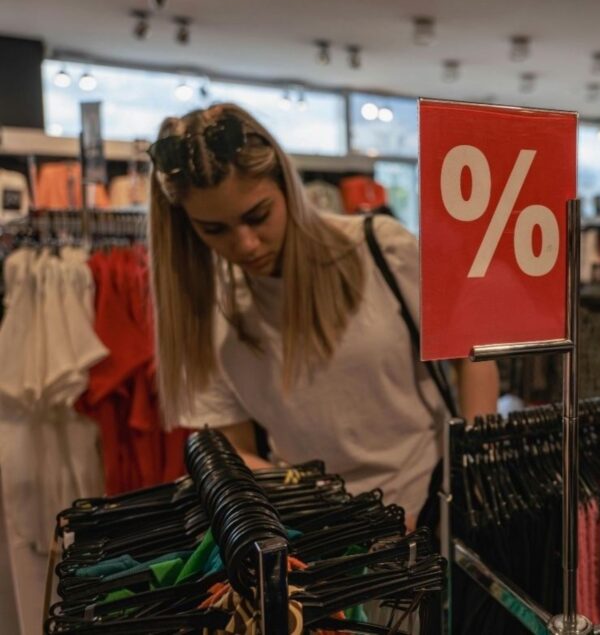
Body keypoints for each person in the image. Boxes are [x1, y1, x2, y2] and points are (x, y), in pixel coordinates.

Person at [148, 103, 498, 525]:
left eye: (258, 216)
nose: (245, 245)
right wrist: (322, 507)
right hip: (314, 529)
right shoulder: (211, 312)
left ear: (288, 190)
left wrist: (476, 467)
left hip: (433, 502)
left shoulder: (381, 250)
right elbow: (237, 449)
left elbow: (473, 354)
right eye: (214, 230)